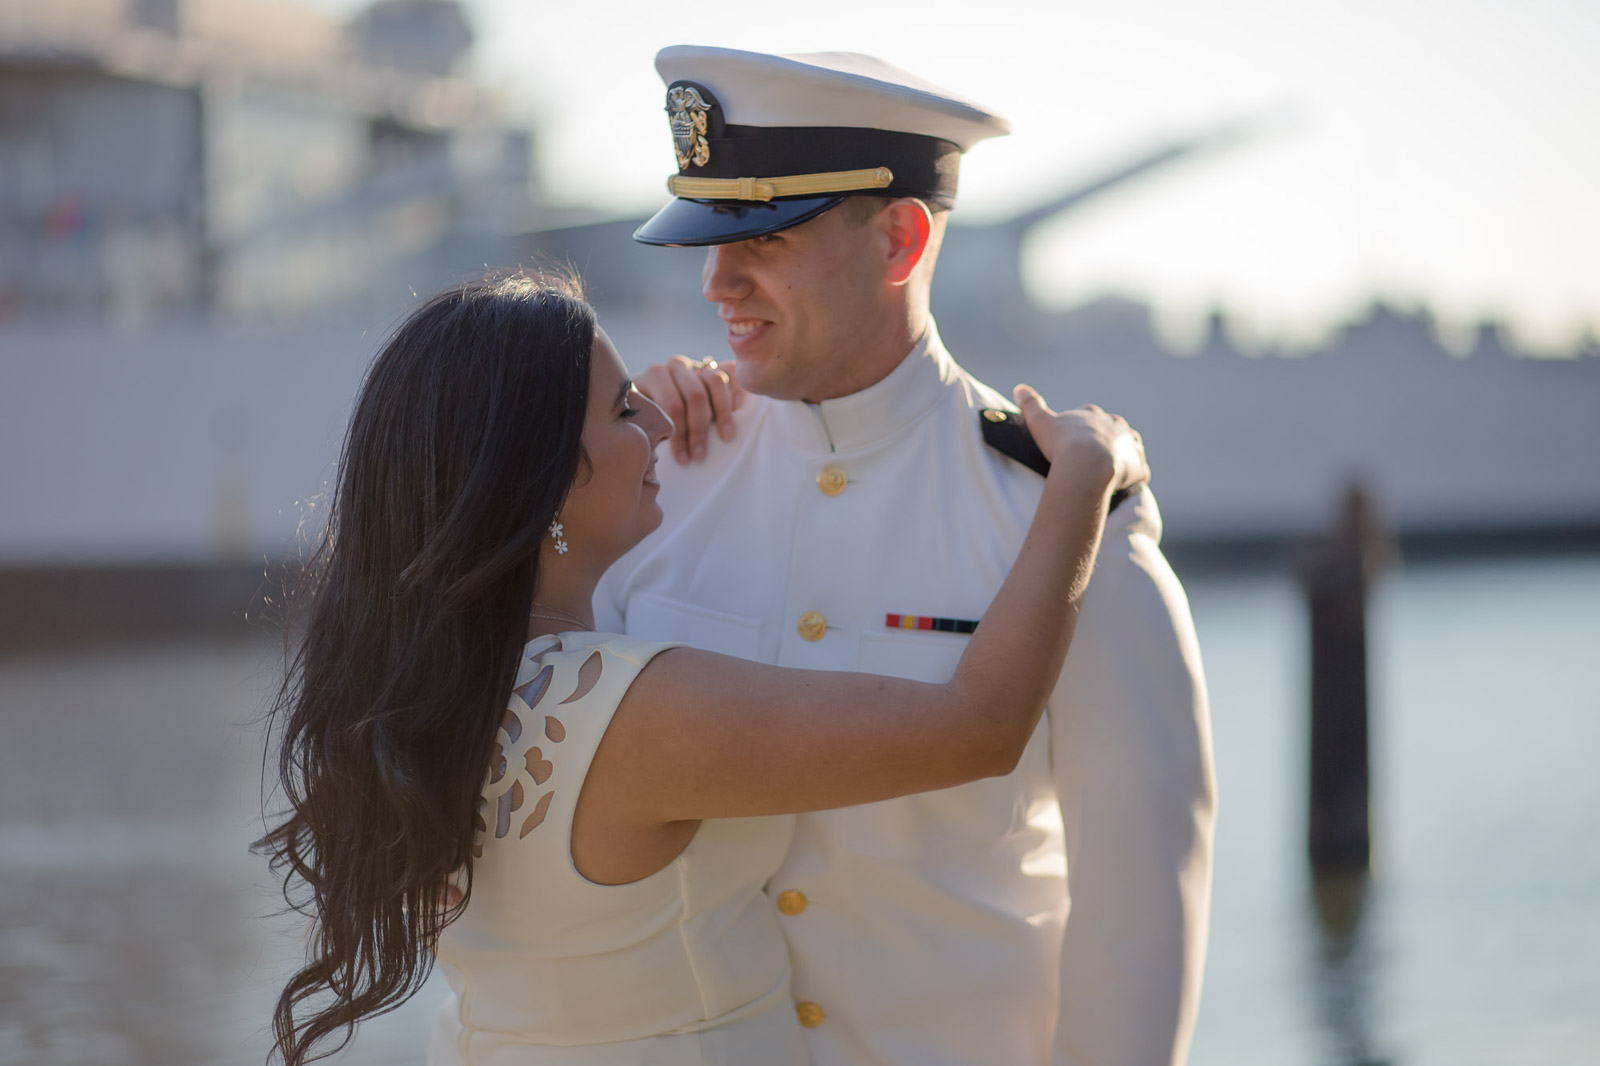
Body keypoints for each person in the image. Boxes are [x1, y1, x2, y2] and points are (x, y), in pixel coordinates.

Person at [254, 269, 1150, 1066]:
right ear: (547, 481)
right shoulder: (632, 713)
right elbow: (981, 726)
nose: (653, 416)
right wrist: (1082, 477)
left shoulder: (416, 693)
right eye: (621, 410)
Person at [603, 47, 1217, 1066]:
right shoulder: (658, 487)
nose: (716, 278)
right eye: (708, 238)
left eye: (763, 234)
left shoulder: (1065, 516)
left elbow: (1138, 925)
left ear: (898, 237)